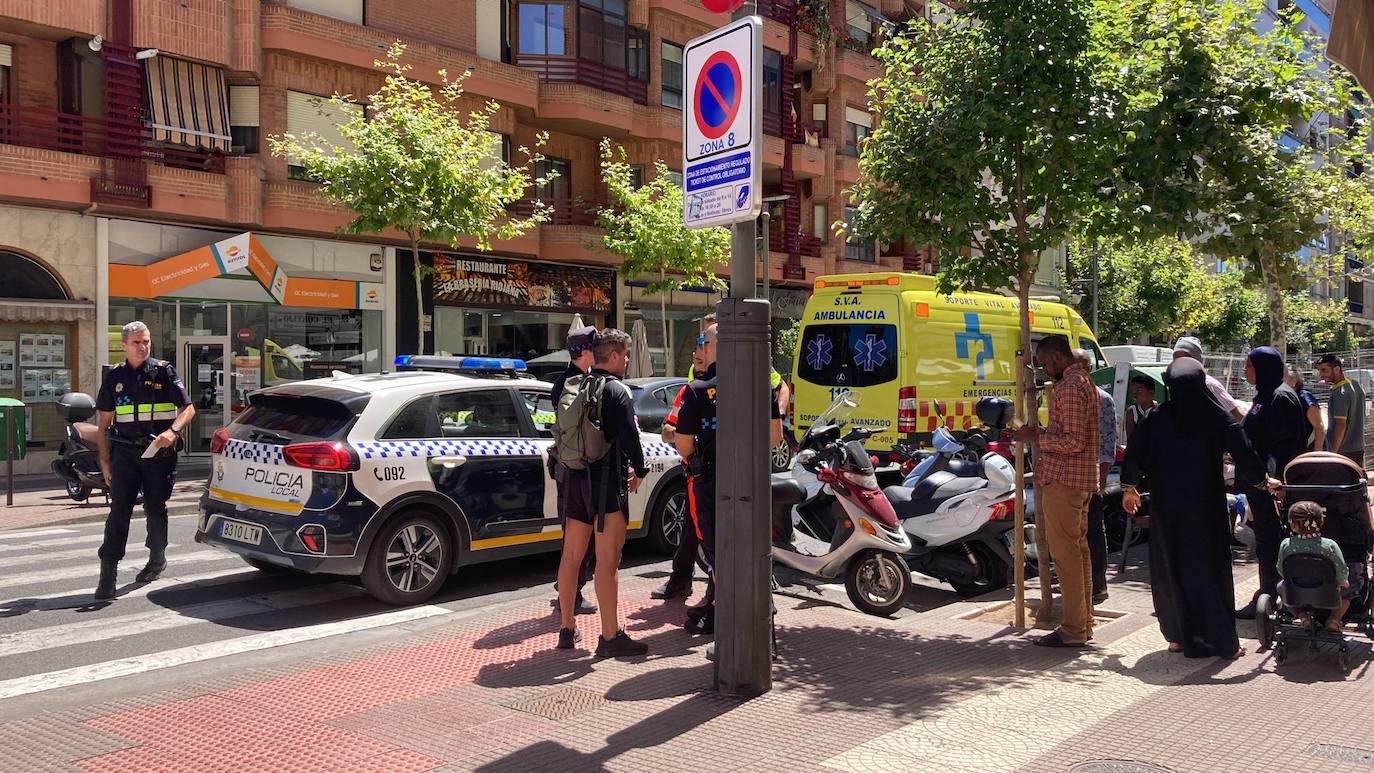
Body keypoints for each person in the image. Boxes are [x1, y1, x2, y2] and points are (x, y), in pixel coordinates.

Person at [1121, 358, 1273, 658]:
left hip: (1167, 509)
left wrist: (1129, 488)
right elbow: (1245, 452)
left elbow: (1134, 453)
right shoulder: (1216, 417)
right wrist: (1262, 481)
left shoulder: (1156, 417)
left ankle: (1178, 636)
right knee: (1207, 568)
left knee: (1171, 566)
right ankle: (1222, 643)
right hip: (1205, 508)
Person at [673, 325, 783, 636]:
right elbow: (774, 437)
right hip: (751, 482)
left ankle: (731, 631)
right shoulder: (761, 386)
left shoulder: (696, 390)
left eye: (703, 342)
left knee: (719, 556)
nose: (701, 348)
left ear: (714, 347)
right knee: (750, 553)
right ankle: (758, 624)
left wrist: (701, 465)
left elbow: (683, 444)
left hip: (711, 484)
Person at [554, 328, 650, 657]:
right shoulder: (616, 391)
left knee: (571, 556)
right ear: (611, 356)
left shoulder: (572, 385)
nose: (626, 360)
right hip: (607, 483)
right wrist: (641, 469)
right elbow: (630, 440)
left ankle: (567, 628)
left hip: (574, 480)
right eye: (624, 355)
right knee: (608, 561)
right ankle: (610, 635)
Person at [93, 321, 195, 600]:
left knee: (155, 508)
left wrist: (172, 432)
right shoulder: (114, 377)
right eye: (137, 342)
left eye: (146, 341)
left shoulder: (163, 371)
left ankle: (157, 558)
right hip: (124, 453)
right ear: (124, 345)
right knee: (119, 512)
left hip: (157, 454)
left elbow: (188, 408)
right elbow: (103, 424)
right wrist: (104, 461)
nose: (143, 347)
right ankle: (108, 575)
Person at [1013, 335, 1098, 648]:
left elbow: (1074, 442)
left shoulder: (1070, 387)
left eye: (1046, 362)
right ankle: (1083, 623)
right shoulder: (1082, 382)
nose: (1045, 369)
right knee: (1078, 555)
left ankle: (1074, 629)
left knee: (1067, 559)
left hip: (1065, 480)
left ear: (1061, 356)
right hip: (1076, 480)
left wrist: (1036, 438)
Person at [1237, 346, 1311, 619]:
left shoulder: (1280, 398)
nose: (1245, 370)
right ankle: (1267, 594)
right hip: (1259, 485)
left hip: (1273, 487)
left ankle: (1280, 598)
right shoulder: (1265, 396)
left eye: (1249, 365)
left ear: (1263, 368)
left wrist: (1280, 485)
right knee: (1266, 542)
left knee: (1274, 542)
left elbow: (1287, 448)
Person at [651, 338, 708, 601]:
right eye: (696, 345)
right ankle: (681, 579)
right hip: (696, 473)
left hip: (718, 475)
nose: (698, 352)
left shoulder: (738, 383)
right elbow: (666, 432)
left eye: (704, 345)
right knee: (691, 528)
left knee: (708, 534)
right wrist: (686, 433)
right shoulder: (689, 391)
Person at [549, 326, 599, 617]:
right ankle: (572, 594)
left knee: (575, 538)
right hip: (575, 469)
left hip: (567, 468)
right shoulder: (575, 383)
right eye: (594, 348)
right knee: (579, 540)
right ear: (584, 352)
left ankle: (569, 588)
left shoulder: (566, 381)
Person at [1077, 350, 1116, 606]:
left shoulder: (1103, 400)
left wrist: (1100, 479)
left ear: (1088, 368)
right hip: (1070, 477)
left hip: (1090, 477)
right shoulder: (1065, 395)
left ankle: (1097, 585)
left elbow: (1107, 443)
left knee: (1092, 531)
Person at [1279, 501, 1352, 632]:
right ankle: (1334, 619)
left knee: (1281, 588)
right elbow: (1341, 570)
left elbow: (1281, 570)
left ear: (1292, 524)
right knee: (1350, 592)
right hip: (1327, 593)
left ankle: (1303, 616)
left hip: (1296, 592)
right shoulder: (1329, 546)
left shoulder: (1286, 545)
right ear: (1321, 522)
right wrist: (1343, 581)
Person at [1172, 336, 1244, 422]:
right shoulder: (1175, 385)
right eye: (1176, 359)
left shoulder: (1209, 385)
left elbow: (1239, 415)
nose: (1179, 364)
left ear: (1197, 361)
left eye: (1184, 359)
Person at [1315, 354, 1366, 466]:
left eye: (1324, 370)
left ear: (1337, 369)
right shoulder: (1355, 385)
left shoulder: (1340, 393)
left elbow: (1340, 425)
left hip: (1343, 452)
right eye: (1319, 371)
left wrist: (1333, 453)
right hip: (1358, 448)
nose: (1321, 375)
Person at [1285, 366, 1325, 453]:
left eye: (1283, 378)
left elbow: (1319, 427)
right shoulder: (1286, 398)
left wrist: (1317, 452)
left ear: (1294, 381)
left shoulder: (1305, 398)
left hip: (1307, 452)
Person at [1121, 375, 1157, 442]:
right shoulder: (1132, 412)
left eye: (1139, 390)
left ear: (1151, 392)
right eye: (1133, 391)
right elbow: (1131, 441)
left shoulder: (1160, 411)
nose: (1135, 393)